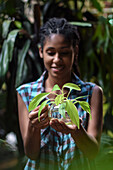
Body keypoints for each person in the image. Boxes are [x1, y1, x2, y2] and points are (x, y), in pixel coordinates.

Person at [16, 17, 103, 170]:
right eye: (51, 52)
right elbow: (31, 154)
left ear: (75, 52)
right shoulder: (26, 93)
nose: (57, 60)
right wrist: (33, 126)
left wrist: (77, 131)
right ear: (41, 52)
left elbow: (93, 152)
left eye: (64, 53)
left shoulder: (92, 93)